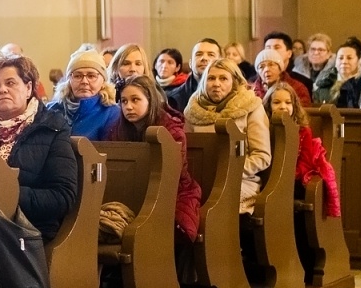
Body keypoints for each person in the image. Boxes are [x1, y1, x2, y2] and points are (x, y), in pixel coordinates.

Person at [0, 54, 78, 241]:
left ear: (28, 88)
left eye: (10, 83)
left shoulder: (52, 128)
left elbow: (62, 197)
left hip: (25, 231)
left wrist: (6, 195)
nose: (2, 90)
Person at [103, 76, 201, 241]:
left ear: (150, 100)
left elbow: (175, 172)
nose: (129, 107)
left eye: (135, 100)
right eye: (124, 101)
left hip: (173, 191)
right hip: (130, 190)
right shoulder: (116, 129)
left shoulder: (170, 130)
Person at [183, 57, 271, 212]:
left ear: (234, 82)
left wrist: (228, 172)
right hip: (200, 181)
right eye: (211, 78)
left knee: (217, 207)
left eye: (223, 78)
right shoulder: (193, 110)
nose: (216, 83)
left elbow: (262, 156)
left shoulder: (250, 106)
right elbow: (187, 153)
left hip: (239, 180)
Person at [265, 82, 340, 219]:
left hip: (294, 177)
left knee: (292, 193)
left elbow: (305, 162)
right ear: (268, 106)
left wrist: (288, 177)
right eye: (276, 102)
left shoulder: (303, 130)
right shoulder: (264, 128)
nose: (283, 106)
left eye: (288, 103)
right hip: (269, 176)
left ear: (294, 106)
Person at [53, 49, 121, 139]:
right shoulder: (53, 110)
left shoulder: (112, 113)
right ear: (69, 80)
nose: (84, 81)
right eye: (77, 76)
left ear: (103, 81)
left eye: (91, 76)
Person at [168, 38, 221, 111]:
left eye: (211, 55)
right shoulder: (174, 99)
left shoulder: (234, 96)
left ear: (221, 63)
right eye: (198, 54)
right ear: (190, 63)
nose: (204, 58)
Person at [311, 38, 361, 105]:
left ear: (358, 61)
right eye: (340, 58)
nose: (344, 62)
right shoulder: (322, 87)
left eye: (349, 58)